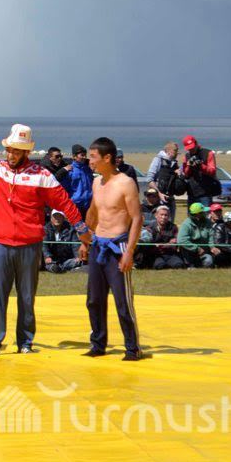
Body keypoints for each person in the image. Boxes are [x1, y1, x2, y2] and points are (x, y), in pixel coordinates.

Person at [0, 123, 88, 357]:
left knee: (26, 297)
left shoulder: (42, 176)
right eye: (9, 149)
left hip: (30, 246)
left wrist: (81, 227)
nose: (11, 155)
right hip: (1, 244)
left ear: (26, 152)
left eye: (16, 151)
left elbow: (64, 202)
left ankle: (25, 341)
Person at [78, 137, 143, 361]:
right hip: (98, 244)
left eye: (93, 157)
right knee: (94, 300)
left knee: (123, 301)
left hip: (118, 246)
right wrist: (85, 241)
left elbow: (137, 218)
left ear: (107, 158)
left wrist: (129, 251)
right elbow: (93, 213)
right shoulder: (97, 183)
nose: (89, 161)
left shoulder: (126, 183)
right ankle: (98, 344)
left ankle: (132, 348)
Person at [146, 141, 184, 222]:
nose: (177, 154)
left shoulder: (174, 163)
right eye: (175, 151)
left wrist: (178, 174)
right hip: (158, 199)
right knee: (158, 223)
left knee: (170, 224)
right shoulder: (158, 160)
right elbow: (149, 179)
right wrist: (159, 194)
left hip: (170, 198)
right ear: (169, 151)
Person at [182, 135, 220, 210]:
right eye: (189, 148)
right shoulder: (187, 156)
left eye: (192, 147)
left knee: (206, 214)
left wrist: (201, 166)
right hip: (192, 192)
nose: (191, 150)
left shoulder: (208, 153)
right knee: (192, 215)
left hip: (206, 193)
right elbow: (186, 174)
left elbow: (212, 171)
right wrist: (189, 166)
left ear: (196, 143)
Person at [142, 206, 184, 270]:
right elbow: (149, 244)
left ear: (169, 217)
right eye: (161, 215)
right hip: (155, 254)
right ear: (156, 215)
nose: (163, 217)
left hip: (170, 254)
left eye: (166, 215)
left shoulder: (173, 227)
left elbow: (175, 243)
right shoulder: (149, 227)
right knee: (160, 265)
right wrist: (168, 244)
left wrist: (161, 245)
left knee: (178, 265)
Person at [42, 209, 84, 274]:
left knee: (78, 261)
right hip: (52, 260)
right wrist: (47, 256)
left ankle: (63, 267)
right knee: (51, 265)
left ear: (63, 218)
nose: (57, 219)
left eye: (59, 216)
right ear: (51, 218)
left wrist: (77, 256)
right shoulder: (45, 229)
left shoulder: (70, 229)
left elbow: (75, 244)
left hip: (67, 259)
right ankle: (57, 268)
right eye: (55, 216)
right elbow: (44, 245)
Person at [178, 203, 215, 268]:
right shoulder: (186, 224)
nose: (206, 213)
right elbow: (182, 240)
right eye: (203, 212)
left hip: (204, 252)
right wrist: (197, 249)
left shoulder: (208, 222)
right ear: (198, 214)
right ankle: (190, 264)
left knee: (209, 261)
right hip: (189, 251)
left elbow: (211, 236)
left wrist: (212, 247)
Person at [68, 144, 94, 219]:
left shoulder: (88, 169)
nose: (84, 157)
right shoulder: (70, 170)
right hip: (76, 205)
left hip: (89, 204)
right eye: (82, 155)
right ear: (74, 156)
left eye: (85, 155)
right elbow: (65, 188)